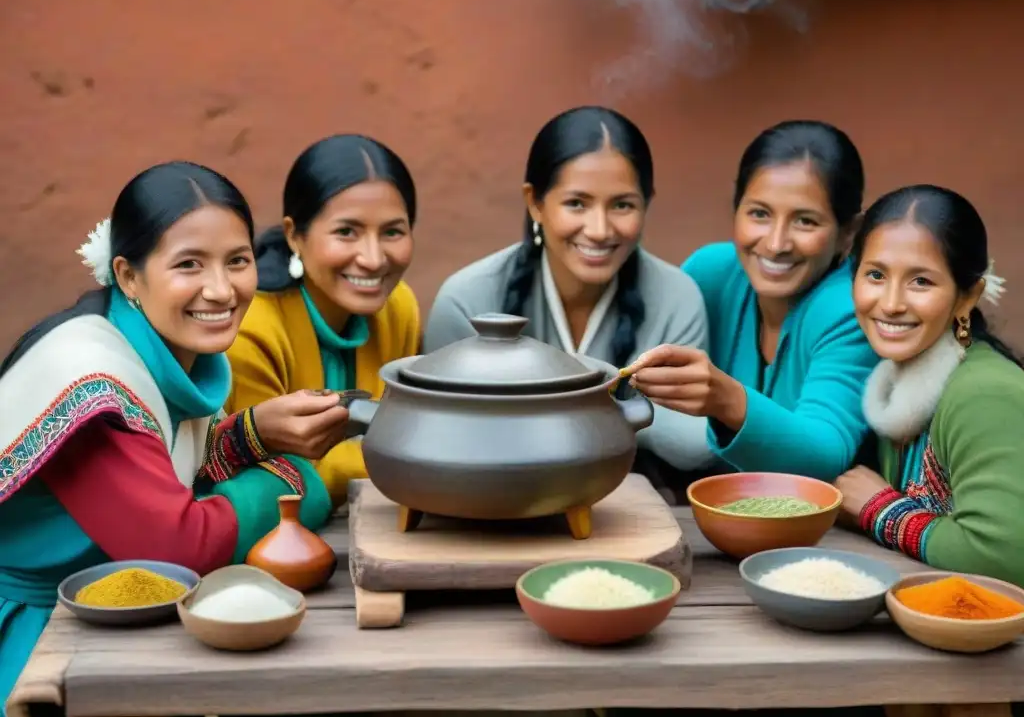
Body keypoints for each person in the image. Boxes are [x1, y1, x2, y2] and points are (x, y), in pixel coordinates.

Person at [0, 161, 348, 717]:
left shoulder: (157, 351)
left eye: (237, 261)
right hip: (34, 642)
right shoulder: (92, 380)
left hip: (111, 625)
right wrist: (294, 479)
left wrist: (255, 431)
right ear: (129, 276)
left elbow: (177, 463)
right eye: (189, 264)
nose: (221, 289)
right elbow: (179, 548)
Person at [423, 105, 713, 489]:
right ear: (535, 203)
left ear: (647, 204)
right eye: (576, 203)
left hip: (632, 512)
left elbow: (693, 446)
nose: (598, 229)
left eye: (622, 205)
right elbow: (448, 438)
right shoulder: (469, 299)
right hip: (493, 504)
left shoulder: (676, 297)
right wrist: (619, 405)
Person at [623, 120, 879, 482]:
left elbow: (826, 455)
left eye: (805, 221)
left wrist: (728, 401)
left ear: (848, 233)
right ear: (736, 209)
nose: (776, 243)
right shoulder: (710, 273)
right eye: (759, 213)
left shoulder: (850, 308)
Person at [836, 184, 1024, 589]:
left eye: (920, 281)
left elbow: (1005, 556)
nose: (890, 303)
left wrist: (880, 509)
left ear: (966, 297)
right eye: (875, 275)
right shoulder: (897, 379)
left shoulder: (985, 393)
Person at [225, 135, 420, 507]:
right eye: (347, 231)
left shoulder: (399, 307)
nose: (373, 259)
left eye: (393, 231)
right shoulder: (250, 327)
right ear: (294, 235)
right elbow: (275, 479)